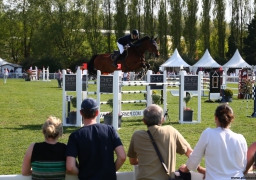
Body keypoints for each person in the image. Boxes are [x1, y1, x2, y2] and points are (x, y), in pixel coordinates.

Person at [127, 104, 196, 179]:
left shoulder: (137, 135)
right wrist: (200, 169)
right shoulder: (170, 131)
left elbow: (133, 161)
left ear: (144, 121)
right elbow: (190, 153)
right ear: (162, 119)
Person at [179, 104, 247, 180]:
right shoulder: (241, 139)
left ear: (216, 118)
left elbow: (194, 159)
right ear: (231, 119)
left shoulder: (208, 134)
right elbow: (243, 166)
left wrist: (185, 169)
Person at [66, 98, 126, 179]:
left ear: (81, 113)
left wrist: (83, 173)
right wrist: (110, 171)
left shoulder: (75, 136)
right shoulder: (110, 130)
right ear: (97, 112)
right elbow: (122, 156)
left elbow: (70, 167)